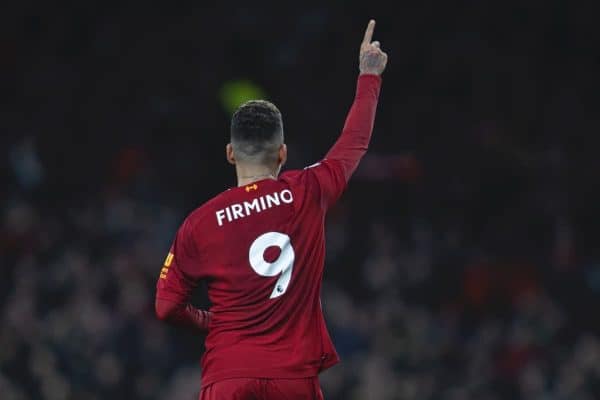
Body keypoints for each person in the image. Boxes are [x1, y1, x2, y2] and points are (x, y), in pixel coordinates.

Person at [155, 19, 388, 399]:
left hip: (227, 376)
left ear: (230, 153)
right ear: (283, 153)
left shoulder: (199, 222)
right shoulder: (307, 191)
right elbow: (354, 144)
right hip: (291, 378)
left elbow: (166, 307)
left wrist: (211, 321)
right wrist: (368, 76)